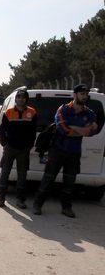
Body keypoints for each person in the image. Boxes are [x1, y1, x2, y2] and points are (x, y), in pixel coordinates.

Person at [33, 84, 98, 218]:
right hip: (57, 150)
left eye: (86, 94)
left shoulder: (89, 113)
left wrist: (76, 128)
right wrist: (81, 130)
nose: (84, 96)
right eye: (82, 94)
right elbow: (64, 129)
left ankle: (66, 208)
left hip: (74, 152)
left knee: (70, 182)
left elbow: (92, 132)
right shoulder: (63, 109)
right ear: (74, 95)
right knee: (48, 179)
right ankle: (37, 205)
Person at [0, 89, 38, 208]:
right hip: (10, 148)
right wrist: (5, 144)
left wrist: (29, 145)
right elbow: (2, 130)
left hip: (24, 149)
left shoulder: (32, 112)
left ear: (26, 99)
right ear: (16, 98)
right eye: (18, 97)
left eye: (23, 97)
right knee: (4, 173)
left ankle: (20, 200)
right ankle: (1, 198)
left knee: (22, 175)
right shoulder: (8, 112)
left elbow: (33, 131)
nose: (21, 99)